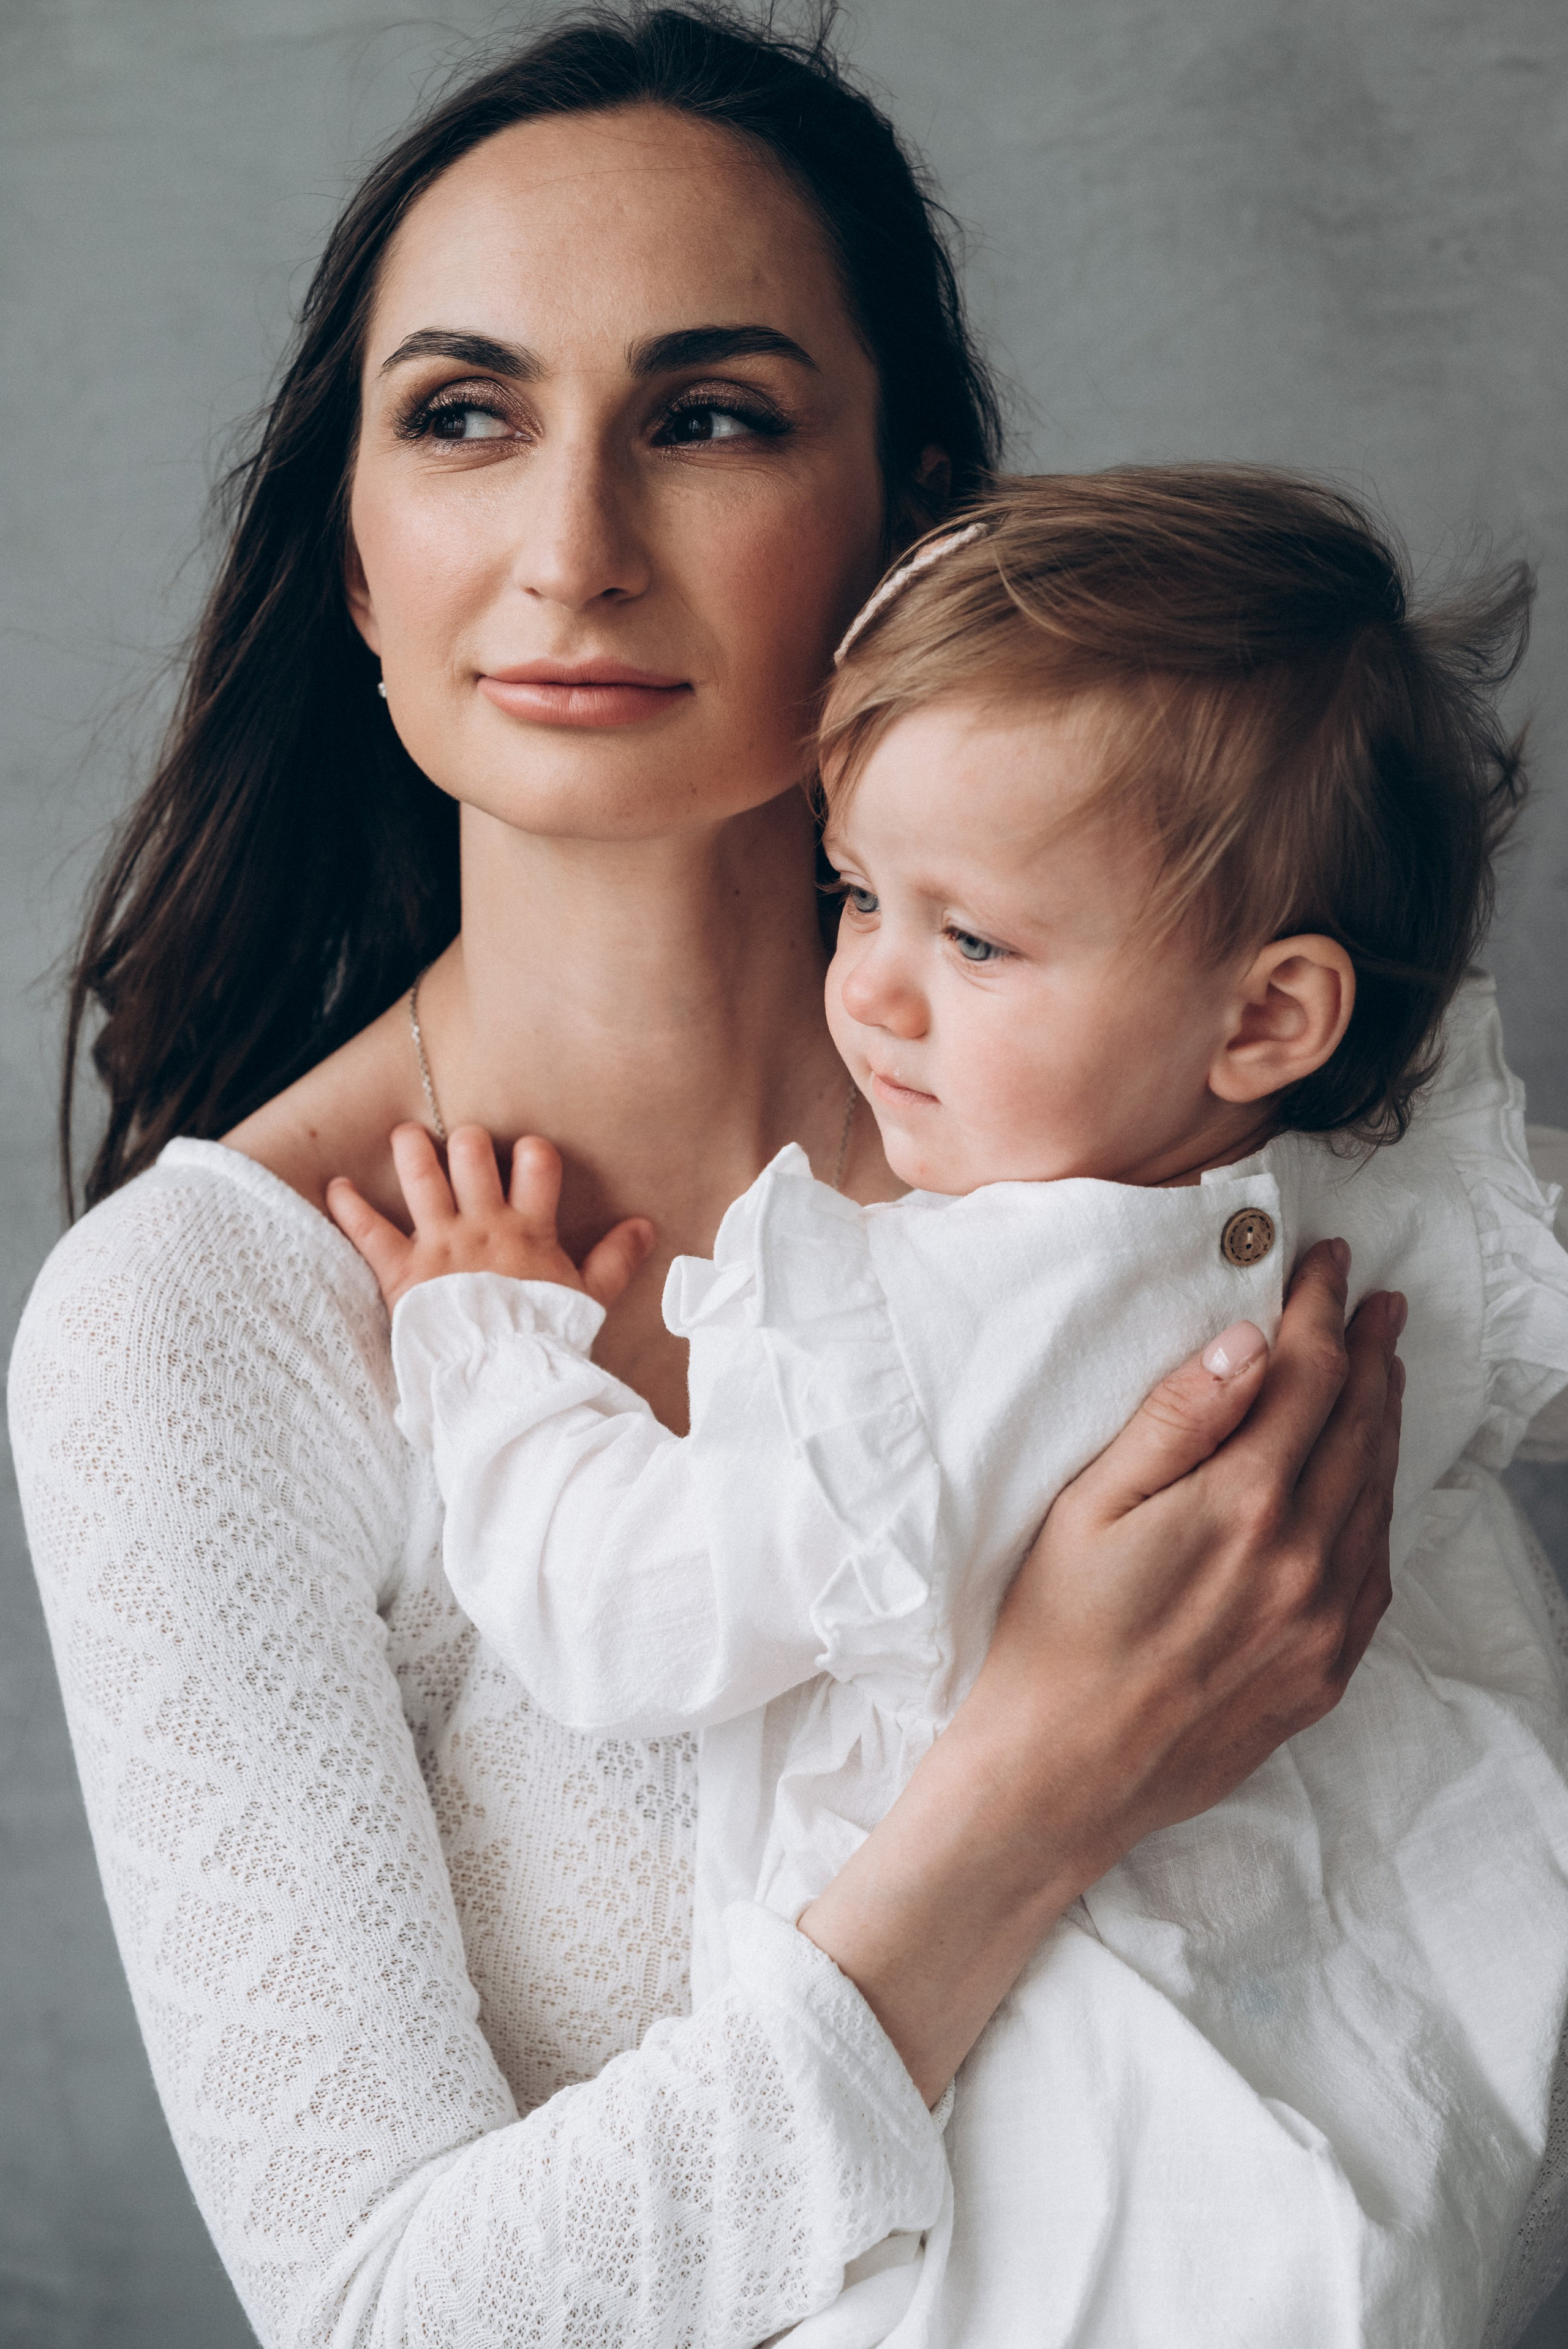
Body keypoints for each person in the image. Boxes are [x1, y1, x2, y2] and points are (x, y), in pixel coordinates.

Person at [1, 9, 1555, 2344]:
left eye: (708, 417)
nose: (572, 548)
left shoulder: (1187, 1131)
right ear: (351, 549)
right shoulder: (197, 1326)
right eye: (462, 417)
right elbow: (388, 2312)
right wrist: (1038, 1785)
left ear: (908, 511)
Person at [325, 468, 1568, 2346]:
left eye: (973, 942)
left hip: (1076, 2190)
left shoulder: (925, 1323)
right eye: (857, 898)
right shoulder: (1367, 1204)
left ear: (1270, 1018)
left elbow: (622, 1605)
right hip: (1402, 2143)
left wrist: (489, 1341)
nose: (874, 993)